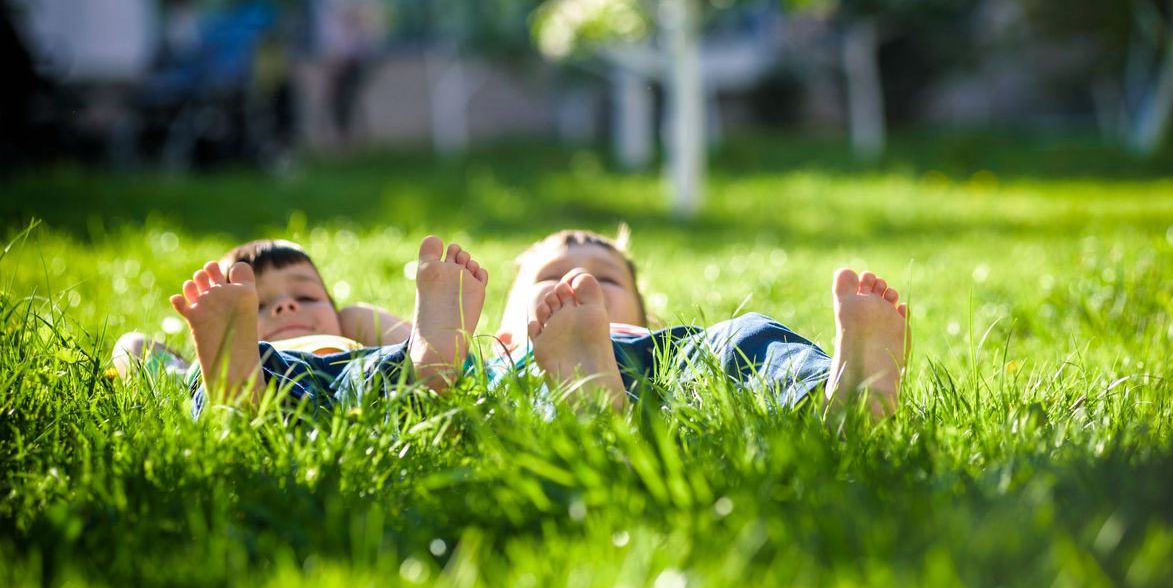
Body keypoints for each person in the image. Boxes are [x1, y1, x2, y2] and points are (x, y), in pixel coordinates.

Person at [493, 229, 910, 417]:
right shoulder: (502, 359)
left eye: (606, 279)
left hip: (663, 362)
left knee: (746, 335)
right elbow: (440, 395)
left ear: (645, 318)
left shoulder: (666, 342)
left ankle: (838, 393)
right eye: (551, 278)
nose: (581, 287)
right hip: (546, 363)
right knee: (533, 379)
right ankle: (587, 398)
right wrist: (433, 354)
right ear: (503, 336)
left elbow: (718, 347)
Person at [117, 236, 487, 417]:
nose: (287, 305)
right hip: (264, 372)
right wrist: (196, 359)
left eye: (307, 298)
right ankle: (236, 389)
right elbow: (135, 350)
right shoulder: (225, 355)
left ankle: (429, 370)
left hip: (354, 373)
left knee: (395, 364)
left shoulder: (351, 326)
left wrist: (359, 317)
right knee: (230, 376)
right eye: (257, 306)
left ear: (334, 309)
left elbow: (407, 339)